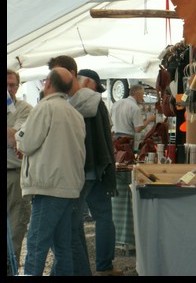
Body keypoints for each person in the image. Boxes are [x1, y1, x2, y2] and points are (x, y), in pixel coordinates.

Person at [17, 67, 86, 276]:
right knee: (63, 247)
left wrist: (18, 137)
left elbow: (27, 143)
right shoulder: (75, 114)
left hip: (48, 186)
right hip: (69, 186)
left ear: (47, 83)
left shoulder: (44, 108)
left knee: (36, 245)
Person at [70, 69, 121, 276]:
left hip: (76, 169)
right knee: (104, 217)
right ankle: (104, 266)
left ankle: (81, 268)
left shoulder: (68, 103)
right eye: (96, 86)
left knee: (74, 222)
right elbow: (106, 137)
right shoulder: (98, 104)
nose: (97, 91)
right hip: (98, 168)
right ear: (89, 82)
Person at [7, 69, 33, 271]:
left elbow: (13, 139)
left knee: (16, 227)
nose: (8, 89)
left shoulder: (24, 108)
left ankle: (11, 268)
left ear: (18, 86)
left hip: (14, 174)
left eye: (12, 85)